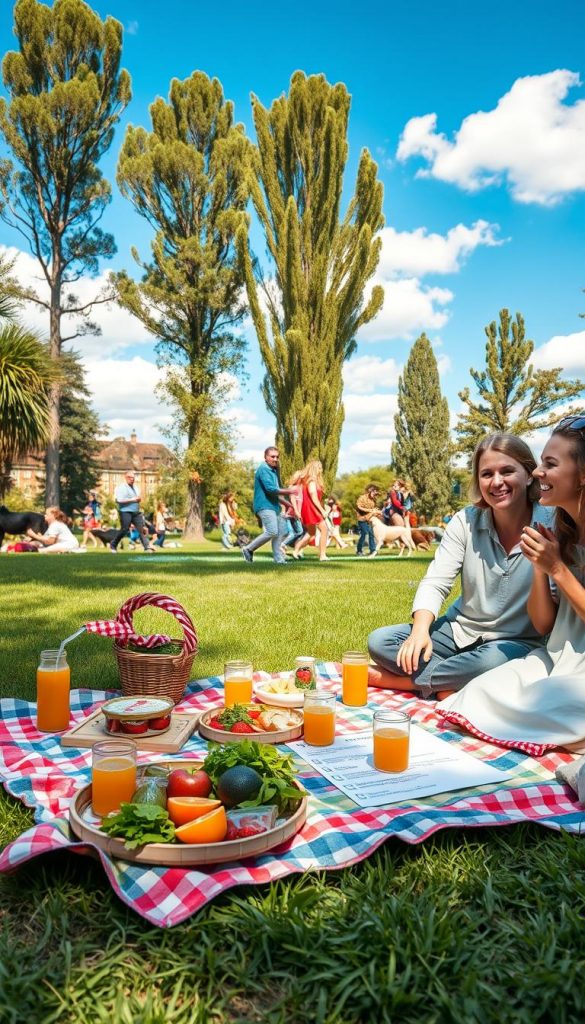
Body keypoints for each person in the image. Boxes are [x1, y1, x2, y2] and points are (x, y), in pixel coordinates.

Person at [438, 416, 585, 751]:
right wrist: (539, 567)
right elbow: (544, 623)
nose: (538, 473)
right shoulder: (562, 529)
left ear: (582, 476)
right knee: (480, 691)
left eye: (550, 463)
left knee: (554, 700)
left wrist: (557, 569)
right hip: (556, 655)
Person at [368, 433, 550, 698]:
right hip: (458, 631)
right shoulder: (466, 521)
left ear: (529, 474)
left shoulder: (550, 523)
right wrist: (420, 632)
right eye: (487, 474)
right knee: (381, 641)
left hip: (515, 642)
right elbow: (437, 580)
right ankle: (454, 681)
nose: (496, 482)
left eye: (507, 471)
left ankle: (401, 682)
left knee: (490, 664)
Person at [241, 447, 293, 565]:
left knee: (282, 531)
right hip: (264, 506)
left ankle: (279, 559)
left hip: (274, 506)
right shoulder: (264, 469)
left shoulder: (273, 470)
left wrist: (289, 504)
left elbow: (276, 493)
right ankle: (248, 549)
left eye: (277, 457)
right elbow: (270, 489)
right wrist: (291, 491)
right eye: (272, 456)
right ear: (265, 457)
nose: (275, 459)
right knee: (272, 531)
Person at [293, 460, 330, 561]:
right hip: (311, 508)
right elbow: (313, 497)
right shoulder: (312, 480)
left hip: (309, 508)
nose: (321, 470)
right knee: (324, 529)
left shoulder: (309, 480)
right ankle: (322, 555)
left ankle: (296, 550)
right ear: (314, 468)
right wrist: (322, 510)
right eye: (319, 467)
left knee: (311, 533)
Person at [110, 469, 152, 553]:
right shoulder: (121, 488)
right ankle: (113, 544)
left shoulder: (136, 488)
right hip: (125, 511)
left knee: (142, 529)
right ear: (125, 477)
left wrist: (138, 501)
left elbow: (137, 499)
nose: (132, 479)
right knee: (125, 529)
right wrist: (133, 499)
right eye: (130, 477)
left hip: (136, 512)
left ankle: (147, 547)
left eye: (133, 477)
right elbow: (119, 500)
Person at [282, 471, 305, 555]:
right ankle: (282, 545)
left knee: (299, 532)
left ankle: (284, 545)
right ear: (298, 478)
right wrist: (297, 511)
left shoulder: (301, 488)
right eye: (302, 477)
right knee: (295, 533)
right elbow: (292, 500)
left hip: (295, 515)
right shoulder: (292, 487)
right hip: (291, 515)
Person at [356, 484, 381, 556]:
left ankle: (372, 550)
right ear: (370, 491)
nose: (375, 495)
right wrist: (370, 510)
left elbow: (375, 509)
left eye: (376, 493)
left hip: (370, 519)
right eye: (374, 493)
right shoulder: (362, 497)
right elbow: (359, 507)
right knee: (364, 533)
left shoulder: (374, 499)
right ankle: (359, 550)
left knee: (371, 533)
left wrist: (377, 512)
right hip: (361, 518)